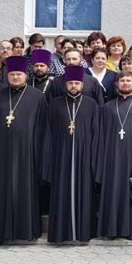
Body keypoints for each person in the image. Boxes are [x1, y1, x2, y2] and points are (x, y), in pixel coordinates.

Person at [0, 56, 47, 244]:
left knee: (25, 191)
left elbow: (43, 128)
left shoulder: (37, 97)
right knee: (1, 192)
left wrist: (38, 154)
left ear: (26, 76)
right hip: (2, 153)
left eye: (19, 74)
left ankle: (26, 233)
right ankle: (0, 233)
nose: (15, 77)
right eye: (12, 74)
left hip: (27, 155)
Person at [42, 65, 99, 244]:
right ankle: (61, 235)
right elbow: (48, 132)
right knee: (61, 194)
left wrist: (93, 160)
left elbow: (96, 134)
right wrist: (49, 159)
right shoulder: (55, 104)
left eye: (77, 83)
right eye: (70, 83)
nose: (74, 86)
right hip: (61, 157)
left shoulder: (92, 104)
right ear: (65, 84)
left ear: (82, 84)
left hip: (84, 157)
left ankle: (83, 234)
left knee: (84, 194)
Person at [97, 72, 132, 240]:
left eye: (128, 80)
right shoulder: (107, 107)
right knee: (113, 190)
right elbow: (101, 135)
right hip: (112, 157)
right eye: (122, 80)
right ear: (117, 84)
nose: (125, 83)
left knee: (131, 191)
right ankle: (111, 230)